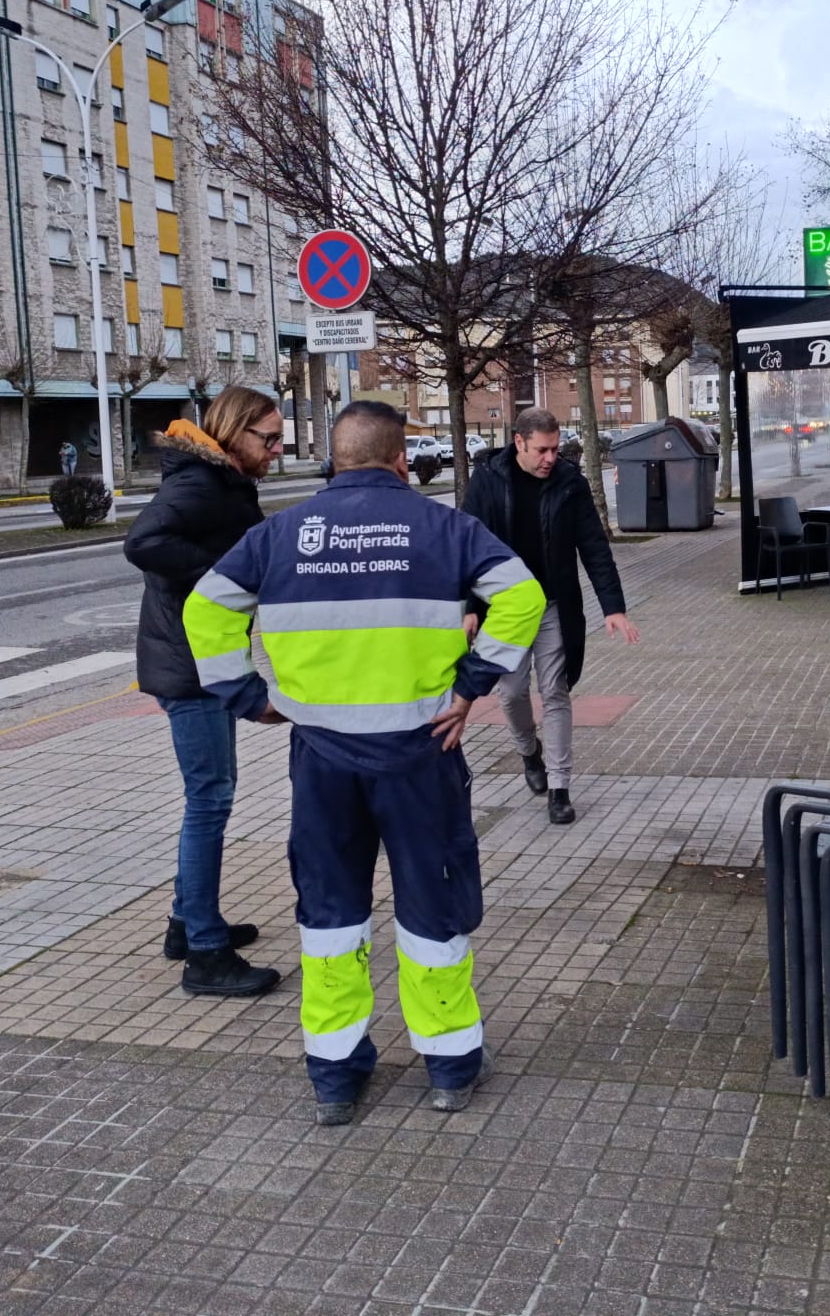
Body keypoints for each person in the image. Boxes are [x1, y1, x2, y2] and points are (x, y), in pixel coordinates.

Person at [185, 400, 545, 1124]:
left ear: (334, 458)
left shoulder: (280, 535)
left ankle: (335, 1076)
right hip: (421, 753)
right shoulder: (445, 527)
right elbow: (522, 594)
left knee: (329, 917)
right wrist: (472, 682)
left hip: (320, 759)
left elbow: (205, 607)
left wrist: (248, 695)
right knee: (431, 909)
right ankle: (448, 1065)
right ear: (401, 458)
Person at [124, 388, 284, 999]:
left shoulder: (221, 479)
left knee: (209, 797)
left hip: (197, 658)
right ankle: (206, 957)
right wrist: (222, 575)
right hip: (189, 667)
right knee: (210, 800)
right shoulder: (199, 483)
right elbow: (143, 543)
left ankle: (186, 923)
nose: (276, 449)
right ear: (236, 431)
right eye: (267, 438)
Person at [460, 407, 638, 826]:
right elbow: (466, 547)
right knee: (511, 693)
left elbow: (594, 546)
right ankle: (528, 751)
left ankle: (560, 787)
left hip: (553, 604)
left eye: (556, 449)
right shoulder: (487, 481)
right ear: (518, 443)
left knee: (555, 691)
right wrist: (469, 608)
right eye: (542, 450)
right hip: (504, 610)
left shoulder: (569, 483)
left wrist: (613, 607)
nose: (550, 458)